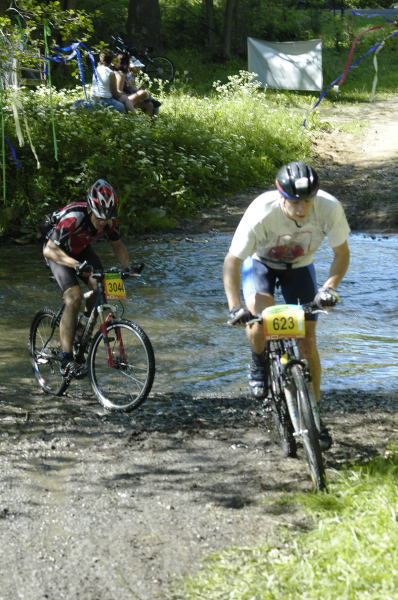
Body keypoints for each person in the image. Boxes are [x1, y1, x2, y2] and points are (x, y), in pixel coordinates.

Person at [223, 161, 350, 450]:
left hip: (301, 267)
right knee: (260, 322)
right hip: (261, 265)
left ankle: (315, 417)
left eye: (307, 201)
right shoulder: (260, 213)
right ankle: (258, 362)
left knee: (308, 342)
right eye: (295, 202)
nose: (303, 209)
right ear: (281, 196)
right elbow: (232, 262)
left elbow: (341, 254)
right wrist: (234, 307)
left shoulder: (329, 208)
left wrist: (328, 289)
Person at [43, 179, 133, 377]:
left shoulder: (109, 221)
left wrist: (129, 269)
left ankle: (82, 326)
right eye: (99, 218)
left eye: (107, 218)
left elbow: (118, 246)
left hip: (81, 249)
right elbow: (49, 249)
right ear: (91, 209)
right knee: (73, 297)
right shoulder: (74, 217)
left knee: (101, 286)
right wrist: (75, 265)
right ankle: (67, 360)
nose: (103, 222)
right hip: (58, 252)